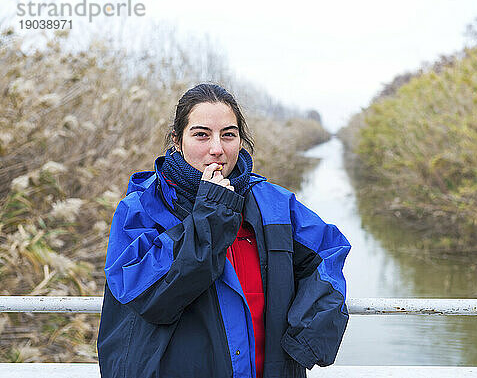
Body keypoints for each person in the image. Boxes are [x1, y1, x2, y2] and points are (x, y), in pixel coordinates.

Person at [97, 83, 351, 378]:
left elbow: (329, 250)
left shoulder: (274, 205)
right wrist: (211, 213)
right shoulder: (141, 209)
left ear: (241, 141)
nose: (217, 149)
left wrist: (307, 339)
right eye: (201, 135)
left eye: (228, 135)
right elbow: (152, 298)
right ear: (177, 141)